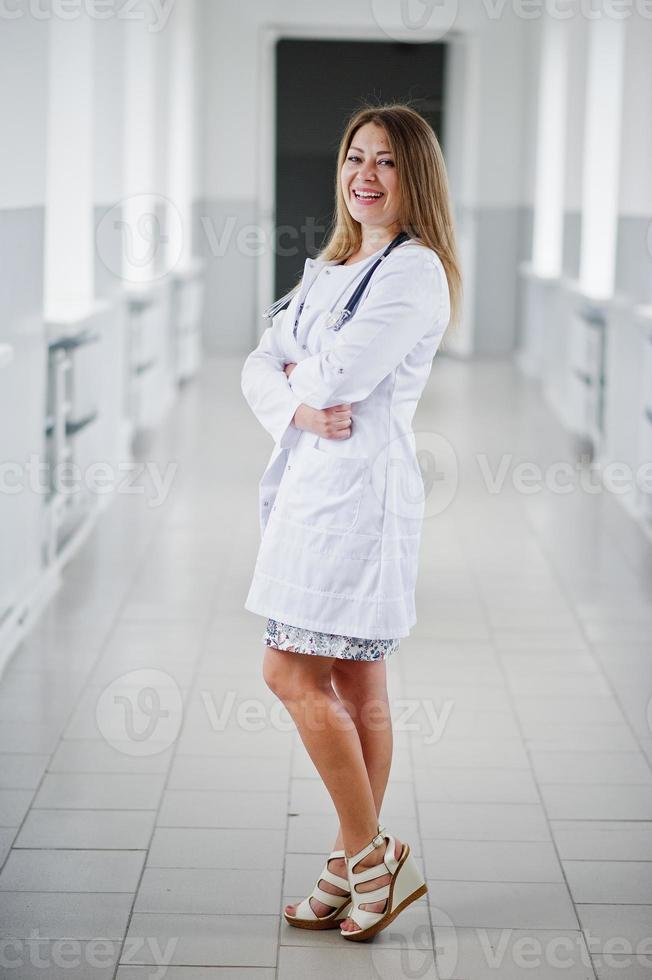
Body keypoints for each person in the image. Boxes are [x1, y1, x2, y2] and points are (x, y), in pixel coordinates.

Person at [240, 103, 461, 941]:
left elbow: (337, 373)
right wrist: (297, 406)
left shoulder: (415, 272)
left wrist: (302, 381)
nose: (365, 174)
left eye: (387, 163)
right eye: (354, 158)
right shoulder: (331, 264)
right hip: (313, 482)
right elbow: (262, 368)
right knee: (356, 683)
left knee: (289, 674)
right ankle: (346, 867)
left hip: (356, 501)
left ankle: (373, 857)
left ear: (416, 178)